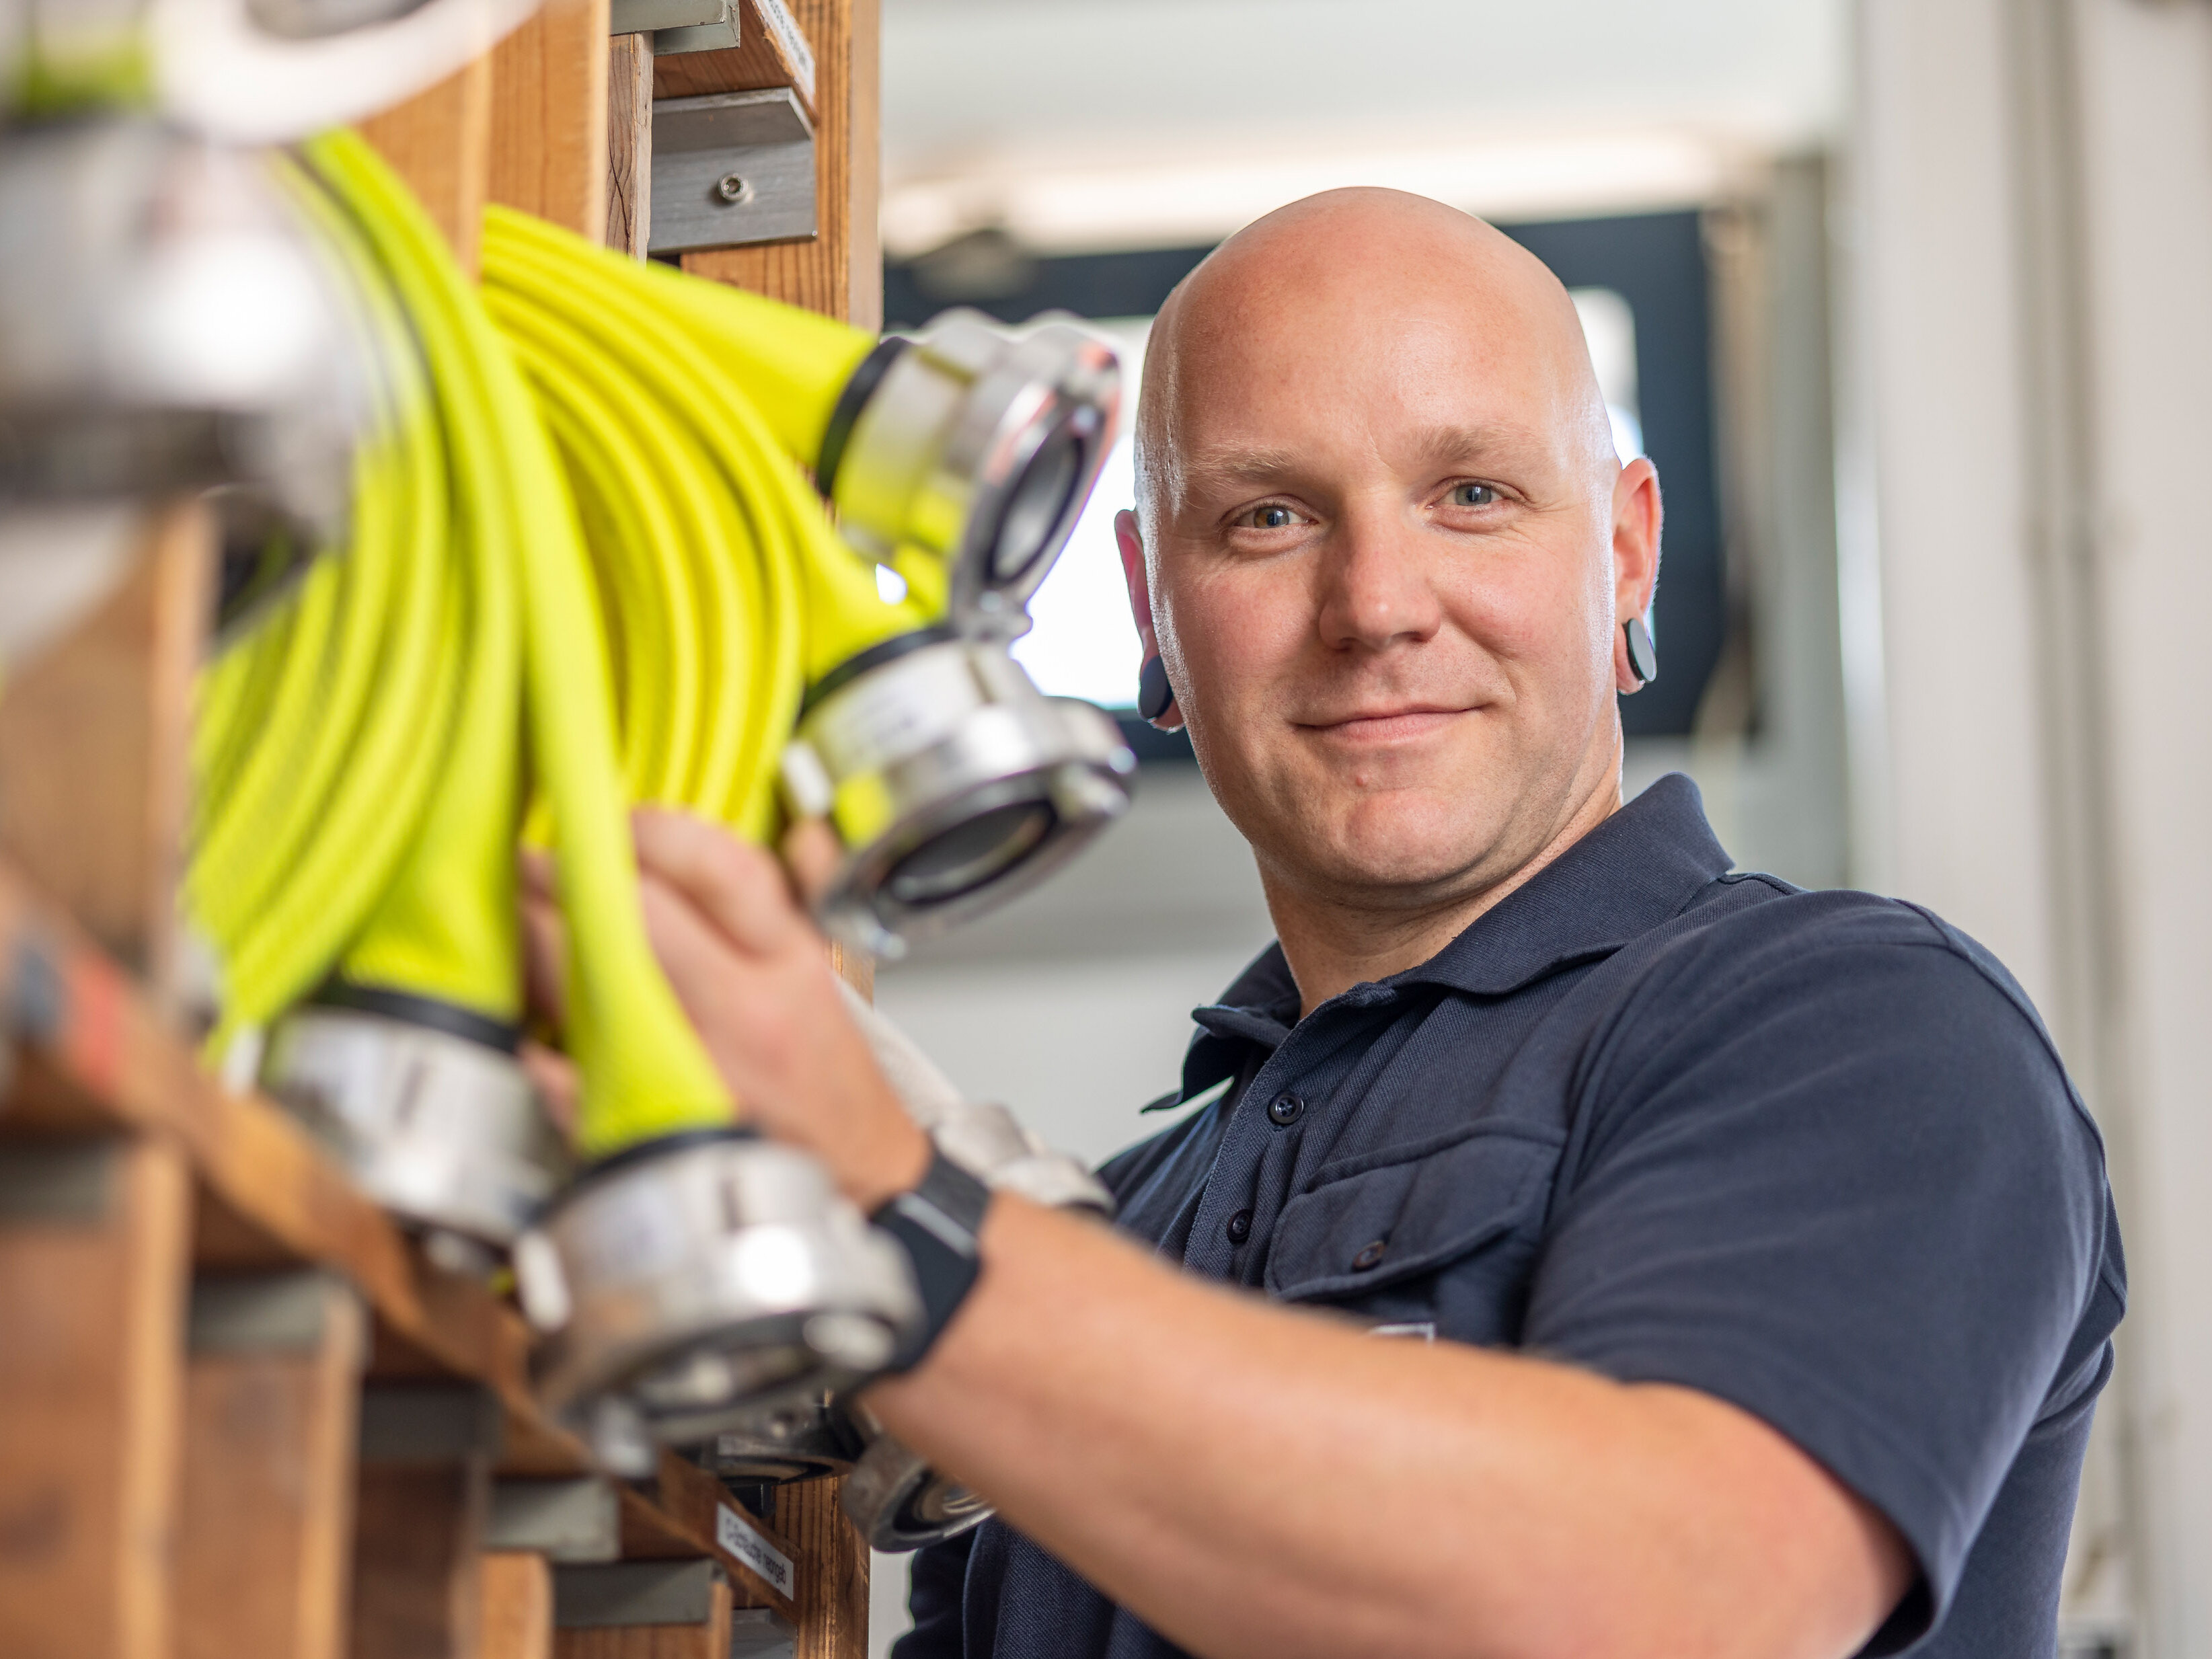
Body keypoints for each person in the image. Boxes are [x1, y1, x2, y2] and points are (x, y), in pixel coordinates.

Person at [594, 189, 2123, 1658]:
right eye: (1267, 516)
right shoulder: (1117, 1238)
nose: (1377, 602)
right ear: (1152, 615)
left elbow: (1663, 1601)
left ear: (1626, 548)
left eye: (1472, 494)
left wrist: (897, 1223)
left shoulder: (1856, 1031)